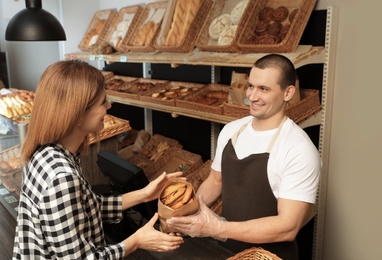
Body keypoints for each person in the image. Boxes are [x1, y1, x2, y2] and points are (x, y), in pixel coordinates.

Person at [13, 60, 184, 259]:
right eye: (103, 101)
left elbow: (87, 209)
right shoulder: (61, 178)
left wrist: (144, 194)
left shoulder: (46, 154)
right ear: (77, 114)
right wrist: (137, 241)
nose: (109, 105)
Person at [166, 54, 321, 259]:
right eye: (251, 86)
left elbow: (287, 227)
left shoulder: (298, 149)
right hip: (225, 250)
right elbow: (215, 181)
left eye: (264, 89)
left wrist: (216, 228)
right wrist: (186, 214)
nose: (252, 96)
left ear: (288, 93)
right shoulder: (232, 130)